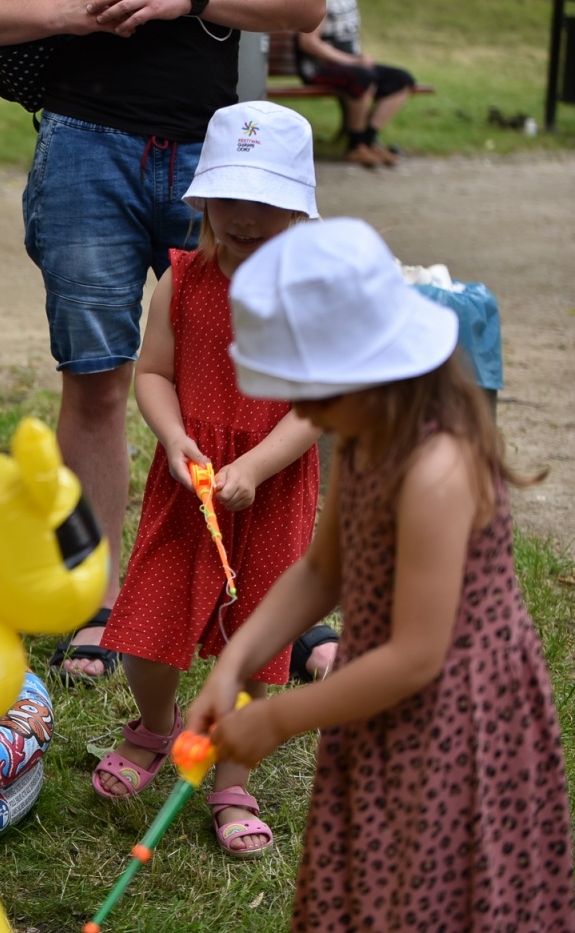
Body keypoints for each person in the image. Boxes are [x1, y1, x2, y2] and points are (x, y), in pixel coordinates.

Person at [0, 0, 325, 682]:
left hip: (220, 163)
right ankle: (97, 600)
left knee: (257, 379)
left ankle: (281, 605)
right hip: (84, 149)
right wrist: (65, 11)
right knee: (96, 378)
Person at [190, 219, 572, 929]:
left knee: (439, 889)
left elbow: (418, 656)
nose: (303, 413)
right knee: (377, 876)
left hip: (455, 718)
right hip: (375, 695)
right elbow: (321, 572)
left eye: (314, 394)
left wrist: (278, 717)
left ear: (374, 365)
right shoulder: (366, 435)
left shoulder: (437, 470)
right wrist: (235, 663)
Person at [90, 101, 321, 858]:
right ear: (203, 200)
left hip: (271, 486)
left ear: (298, 206)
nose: (244, 216)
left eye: (265, 201)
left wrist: (254, 467)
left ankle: (232, 776)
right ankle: (155, 727)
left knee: (256, 640)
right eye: (229, 197)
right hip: (190, 482)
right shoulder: (183, 279)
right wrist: (175, 438)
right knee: (149, 626)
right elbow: (154, 373)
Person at [296, 0, 416, 168]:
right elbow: (309, 43)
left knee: (402, 80)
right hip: (319, 67)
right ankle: (355, 146)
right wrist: (352, 61)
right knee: (363, 78)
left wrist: (357, 59)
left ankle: (368, 141)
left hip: (350, 63)